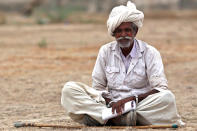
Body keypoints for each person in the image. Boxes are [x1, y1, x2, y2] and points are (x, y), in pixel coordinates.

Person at [61, 1, 185, 126]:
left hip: (140, 105)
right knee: (69, 89)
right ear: (114, 34)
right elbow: (98, 87)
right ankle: (117, 117)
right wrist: (111, 103)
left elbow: (160, 87)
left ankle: (105, 117)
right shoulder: (105, 51)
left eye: (127, 30)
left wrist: (133, 99)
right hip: (111, 105)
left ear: (135, 31)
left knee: (167, 97)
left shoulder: (150, 52)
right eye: (119, 31)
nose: (123, 35)